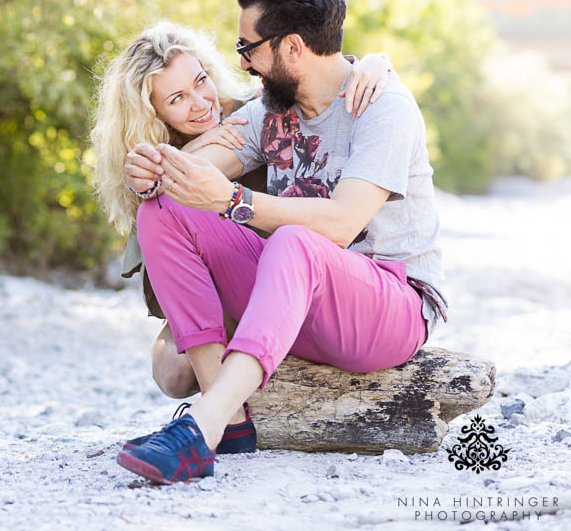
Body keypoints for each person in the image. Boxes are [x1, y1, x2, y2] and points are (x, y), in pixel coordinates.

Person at [106, 0, 448, 485]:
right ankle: (233, 419)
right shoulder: (269, 111)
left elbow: (339, 223)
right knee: (168, 204)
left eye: (249, 48)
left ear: (291, 48)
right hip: (295, 297)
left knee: (295, 240)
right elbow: (193, 170)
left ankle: (201, 425)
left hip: (388, 308)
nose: (242, 66)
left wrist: (234, 201)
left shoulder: (384, 107)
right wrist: (152, 169)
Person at [90, 21, 396, 417]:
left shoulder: (253, 112)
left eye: (201, 81)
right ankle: (225, 410)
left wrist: (376, 61)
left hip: (284, 268)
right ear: (152, 113)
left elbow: (321, 77)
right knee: (172, 373)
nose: (200, 103)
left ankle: (225, 403)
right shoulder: (149, 168)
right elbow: (160, 268)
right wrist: (189, 153)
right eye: (177, 99)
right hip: (214, 291)